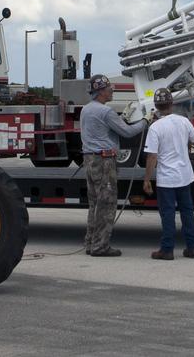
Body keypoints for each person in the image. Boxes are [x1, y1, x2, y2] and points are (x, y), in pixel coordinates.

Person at [80, 74, 147, 257]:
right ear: (101, 91)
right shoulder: (105, 112)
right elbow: (127, 132)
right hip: (104, 161)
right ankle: (100, 246)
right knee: (107, 203)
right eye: (110, 89)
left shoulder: (86, 109)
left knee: (94, 203)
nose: (112, 91)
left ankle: (90, 242)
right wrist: (146, 121)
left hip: (90, 159)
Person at [143, 88, 194, 260]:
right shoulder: (183, 121)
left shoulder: (155, 127)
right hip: (184, 176)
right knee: (187, 212)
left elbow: (152, 156)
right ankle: (192, 247)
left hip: (167, 179)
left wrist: (147, 179)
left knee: (168, 214)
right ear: (172, 103)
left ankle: (167, 249)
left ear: (155, 106)